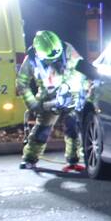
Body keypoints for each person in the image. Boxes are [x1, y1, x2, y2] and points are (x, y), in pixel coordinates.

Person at [17, 30, 97, 172]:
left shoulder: (67, 50)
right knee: (42, 130)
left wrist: (77, 91)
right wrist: (34, 105)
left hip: (70, 95)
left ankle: (73, 160)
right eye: (51, 59)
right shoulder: (31, 60)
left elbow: (81, 71)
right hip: (47, 98)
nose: (56, 61)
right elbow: (22, 84)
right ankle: (29, 159)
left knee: (73, 129)